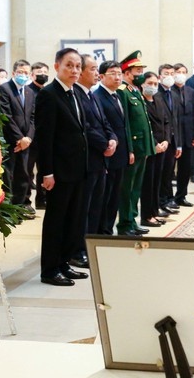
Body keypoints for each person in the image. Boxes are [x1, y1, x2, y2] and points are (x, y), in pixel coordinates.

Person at [35, 48, 88, 286]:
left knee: (73, 219)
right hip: (59, 171)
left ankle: (64, 263)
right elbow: (44, 137)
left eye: (78, 66)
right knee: (56, 221)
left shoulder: (74, 92)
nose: (74, 70)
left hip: (77, 169)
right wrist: (47, 172)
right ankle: (50, 270)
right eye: (69, 65)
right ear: (57, 66)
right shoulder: (49, 94)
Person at [71, 54, 117, 267]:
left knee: (97, 205)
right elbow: (86, 128)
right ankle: (78, 249)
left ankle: (91, 244)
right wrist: (104, 145)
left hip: (101, 161)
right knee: (84, 209)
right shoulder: (77, 96)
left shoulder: (93, 95)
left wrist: (112, 139)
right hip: (89, 160)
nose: (96, 73)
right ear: (80, 72)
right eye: (92, 69)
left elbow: (104, 123)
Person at [116, 50, 155, 236]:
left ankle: (133, 220)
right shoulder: (122, 92)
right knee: (127, 188)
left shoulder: (135, 91)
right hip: (133, 147)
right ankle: (124, 224)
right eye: (137, 71)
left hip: (142, 147)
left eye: (141, 70)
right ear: (126, 73)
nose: (140, 74)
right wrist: (129, 149)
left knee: (136, 187)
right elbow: (125, 124)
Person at [0, 59, 36, 218]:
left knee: (24, 174)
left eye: (26, 73)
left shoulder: (29, 92)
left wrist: (29, 138)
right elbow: (6, 116)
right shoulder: (5, 89)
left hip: (26, 142)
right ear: (13, 73)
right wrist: (19, 138)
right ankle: (8, 208)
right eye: (20, 72)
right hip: (11, 141)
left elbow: (33, 118)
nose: (23, 75)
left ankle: (20, 208)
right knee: (9, 175)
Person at [93, 60, 129, 235]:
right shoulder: (98, 97)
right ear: (101, 76)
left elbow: (123, 126)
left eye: (119, 73)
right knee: (105, 197)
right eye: (113, 73)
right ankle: (102, 230)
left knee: (115, 196)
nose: (117, 77)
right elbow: (100, 127)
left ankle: (108, 228)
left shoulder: (118, 95)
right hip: (107, 155)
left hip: (120, 154)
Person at [140, 71, 170, 227]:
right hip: (150, 148)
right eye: (149, 83)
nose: (152, 86)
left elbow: (166, 121)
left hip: (162, 147)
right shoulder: (141, 100)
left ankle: (154, 211)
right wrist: (155, 144)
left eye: (155, 84)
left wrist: (166, 140)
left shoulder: (158, 99)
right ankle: (146, 216)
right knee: (148, 183)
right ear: (143, 84)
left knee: (157, 181)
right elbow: (145, 127)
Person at [156, 63, 183, 214]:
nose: (170, 76)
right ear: (160, 76)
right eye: (166, 73)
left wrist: (178, 144)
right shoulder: (156, 94)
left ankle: (167, 198)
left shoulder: (174, 94)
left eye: (172, 73)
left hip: (173, 140)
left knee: (169, 171)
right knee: (161, 172)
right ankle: (161, 201)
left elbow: (176, 120)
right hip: (162, 139)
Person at [172, 63, 194, 207]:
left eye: (184, 72)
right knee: (169, 170)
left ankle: (181, 196)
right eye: (178, 71)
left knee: (185, 168)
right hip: (174, 136)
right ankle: (167, 198)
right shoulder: (169, 91)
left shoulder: (190, 91)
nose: (181, 74)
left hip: (188, 135)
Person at [26, 61, 49, 209]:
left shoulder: (48, 92)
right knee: (27, 171)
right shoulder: (28, 91)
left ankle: (42, 200)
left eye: (45, 73)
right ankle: (25, 200)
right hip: (31, 138)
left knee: (44, 170)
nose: (43, 75)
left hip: (45, 138)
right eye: (40, 73)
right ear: (32, 74)